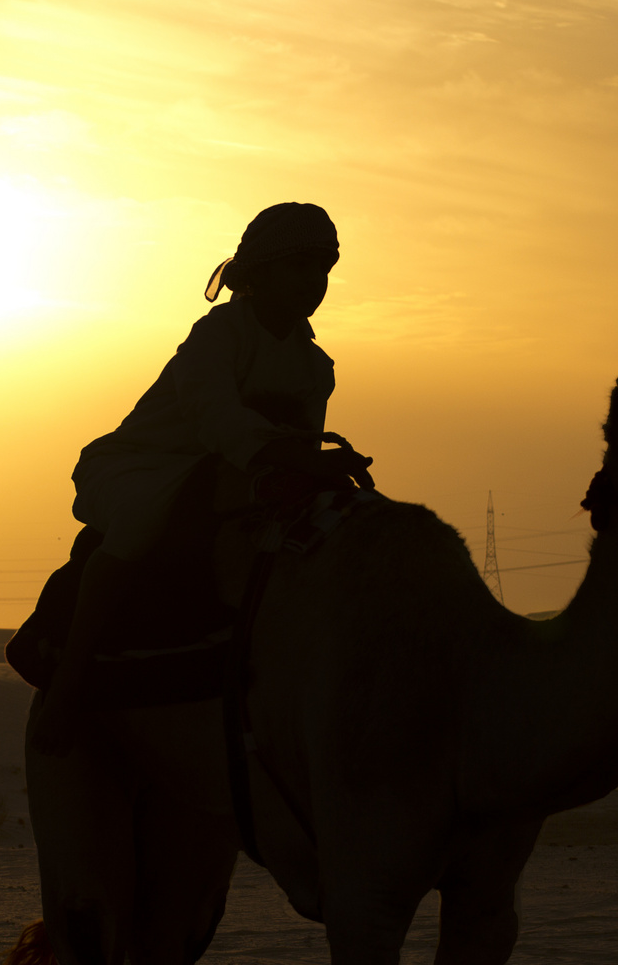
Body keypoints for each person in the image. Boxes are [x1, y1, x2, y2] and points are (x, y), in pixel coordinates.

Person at [29, 201, 374, 757]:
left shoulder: (316, 367)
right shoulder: (218, 334)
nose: (315, 281)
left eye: (324, 267)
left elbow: (303, 447)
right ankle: (70, 684)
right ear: (259, 271)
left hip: (240, 479)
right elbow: (217, 419)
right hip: (145, 466)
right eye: (300, 265)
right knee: (143, 524)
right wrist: (290, 459)